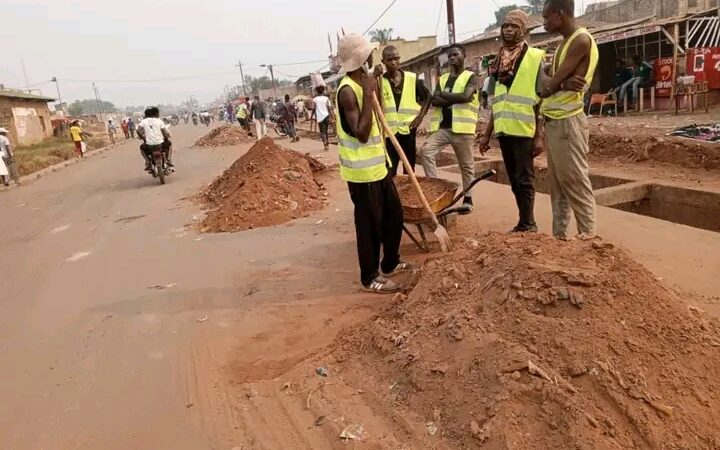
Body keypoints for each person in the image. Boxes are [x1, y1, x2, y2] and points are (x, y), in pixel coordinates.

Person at [335, 33, 412, 294]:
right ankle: (370, 277)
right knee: (368, 228)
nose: (373, 55)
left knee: (394, 216)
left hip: (379, 167)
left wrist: (373, 86)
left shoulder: (365, 82)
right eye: (369, 52)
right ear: (362, 57)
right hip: (362, 174)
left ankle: (389, 262)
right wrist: (368, 94)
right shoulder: (347, 91)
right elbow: (362, 132)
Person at [476, 9, 545, 233]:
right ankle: (523, 221)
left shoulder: (535, 57)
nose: (508, 30)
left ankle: (529, 223)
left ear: (523, 29)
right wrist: (487, 134)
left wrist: (539, 135)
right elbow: (498, 101)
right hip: (504, 129)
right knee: (515, 179)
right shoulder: (497, 62)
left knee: (525, 178)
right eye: (505, 26)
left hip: (525, 129)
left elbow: (541, 100)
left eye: (514, 26)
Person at [539, 0, 599, 240]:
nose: (544, 23)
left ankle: (588, 240)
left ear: (560, 14)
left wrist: (553, 82)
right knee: (559, 188)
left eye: (546, 18)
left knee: (575, 184)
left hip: (567, 122)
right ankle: (560, 241)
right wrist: (558, 82)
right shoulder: (565, 43)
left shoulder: (581, 40)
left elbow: (545, 87)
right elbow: (546, 81)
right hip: (556, 121)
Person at [419, 43, 480, 212]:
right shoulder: (443, 78)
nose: (452, 58)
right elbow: (435, 100)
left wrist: (444, 95)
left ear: (463, 56)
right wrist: (455, 98)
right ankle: (435, 191)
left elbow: (466, 96)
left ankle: (468, 199)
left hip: (463, 129)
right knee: (426, 151)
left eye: (456, 55)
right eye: (450, 56)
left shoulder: (471, 76)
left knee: (466, 166)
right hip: (443, 128)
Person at [375, 45, 430, 176]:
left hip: (408, 131)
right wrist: (373, 77)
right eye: (389, 60)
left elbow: (427, 97)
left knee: (409, 169)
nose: (393, 62)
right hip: (389, 134)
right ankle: (393, 196)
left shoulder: (412, 78)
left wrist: (420, 117)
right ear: (383, 62)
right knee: (390, 170)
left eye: (396, 58)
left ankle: (408, 194)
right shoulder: (379, 81)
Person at [137, 107, 173, 171]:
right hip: (160, 144)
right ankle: (169, 159)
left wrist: (144, 139)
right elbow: (165, 132)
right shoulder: (159, 121)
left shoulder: (144, 121)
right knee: (169, 144)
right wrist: (166, 139)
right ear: (157, 113)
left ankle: (147, 161)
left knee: (142, 148)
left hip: (149, 145)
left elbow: (138, 130)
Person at [312, 86, 333, 151]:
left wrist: (312, 116)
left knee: (322, 132)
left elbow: (314, 109)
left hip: (320, 117)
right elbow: (329, 108)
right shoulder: (326, 98)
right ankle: (327, 143)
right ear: (323, 91)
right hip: (326, 116)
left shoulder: (315, 99)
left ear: (317, 92)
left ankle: (325, 144)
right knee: (325, 131)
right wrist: (332, 117)